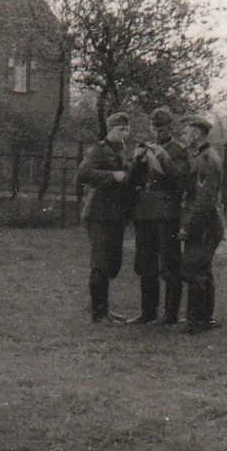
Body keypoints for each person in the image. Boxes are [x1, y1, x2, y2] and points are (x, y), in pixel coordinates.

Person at [126, 107, 191, 326]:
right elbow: (132, 181)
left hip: (166, 213)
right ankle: (148, 312)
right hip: (144, 213)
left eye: (161, 129)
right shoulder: (145, 147)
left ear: (170, 128)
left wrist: (163, 158)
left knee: (169, 264)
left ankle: (170, 314)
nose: (156, 133)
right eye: (153, 128)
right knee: (145, 264)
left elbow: (179, 180)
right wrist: (137, 161)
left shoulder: (179, 150)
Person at [76, 112, 131, 324]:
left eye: (127, 129)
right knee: (100, 263)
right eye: (121, 129)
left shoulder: (121, 151)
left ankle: (103, 308)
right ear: (111, 130)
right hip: (99, 214)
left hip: (115, 216)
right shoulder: (99, 150)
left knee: (111, 264)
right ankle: (99, 313)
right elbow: (82, 174)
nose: (125, 133)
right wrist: (111, 176)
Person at [178, 115, 225, 334]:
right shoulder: (203, 155)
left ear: (196, 135)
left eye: (186, 133)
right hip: (205, 222)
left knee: (195, 268)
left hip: (204, 224)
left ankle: (196, 321)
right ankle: (203, 318)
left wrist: (187, 226)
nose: (183, 137)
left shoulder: (206, 159)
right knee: (202, 269)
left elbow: (204, 199)